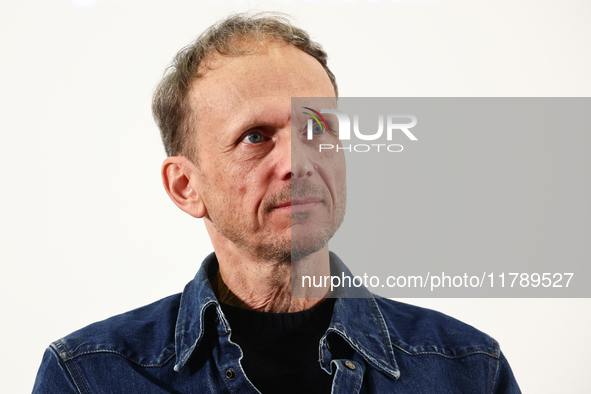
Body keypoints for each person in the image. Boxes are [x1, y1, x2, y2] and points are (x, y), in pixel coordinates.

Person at [33, 13, 521, 393]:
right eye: (255, 136)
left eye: (317, 129)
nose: (300, 162)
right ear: (186, 186)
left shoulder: (468, 367)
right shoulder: (88, 376)